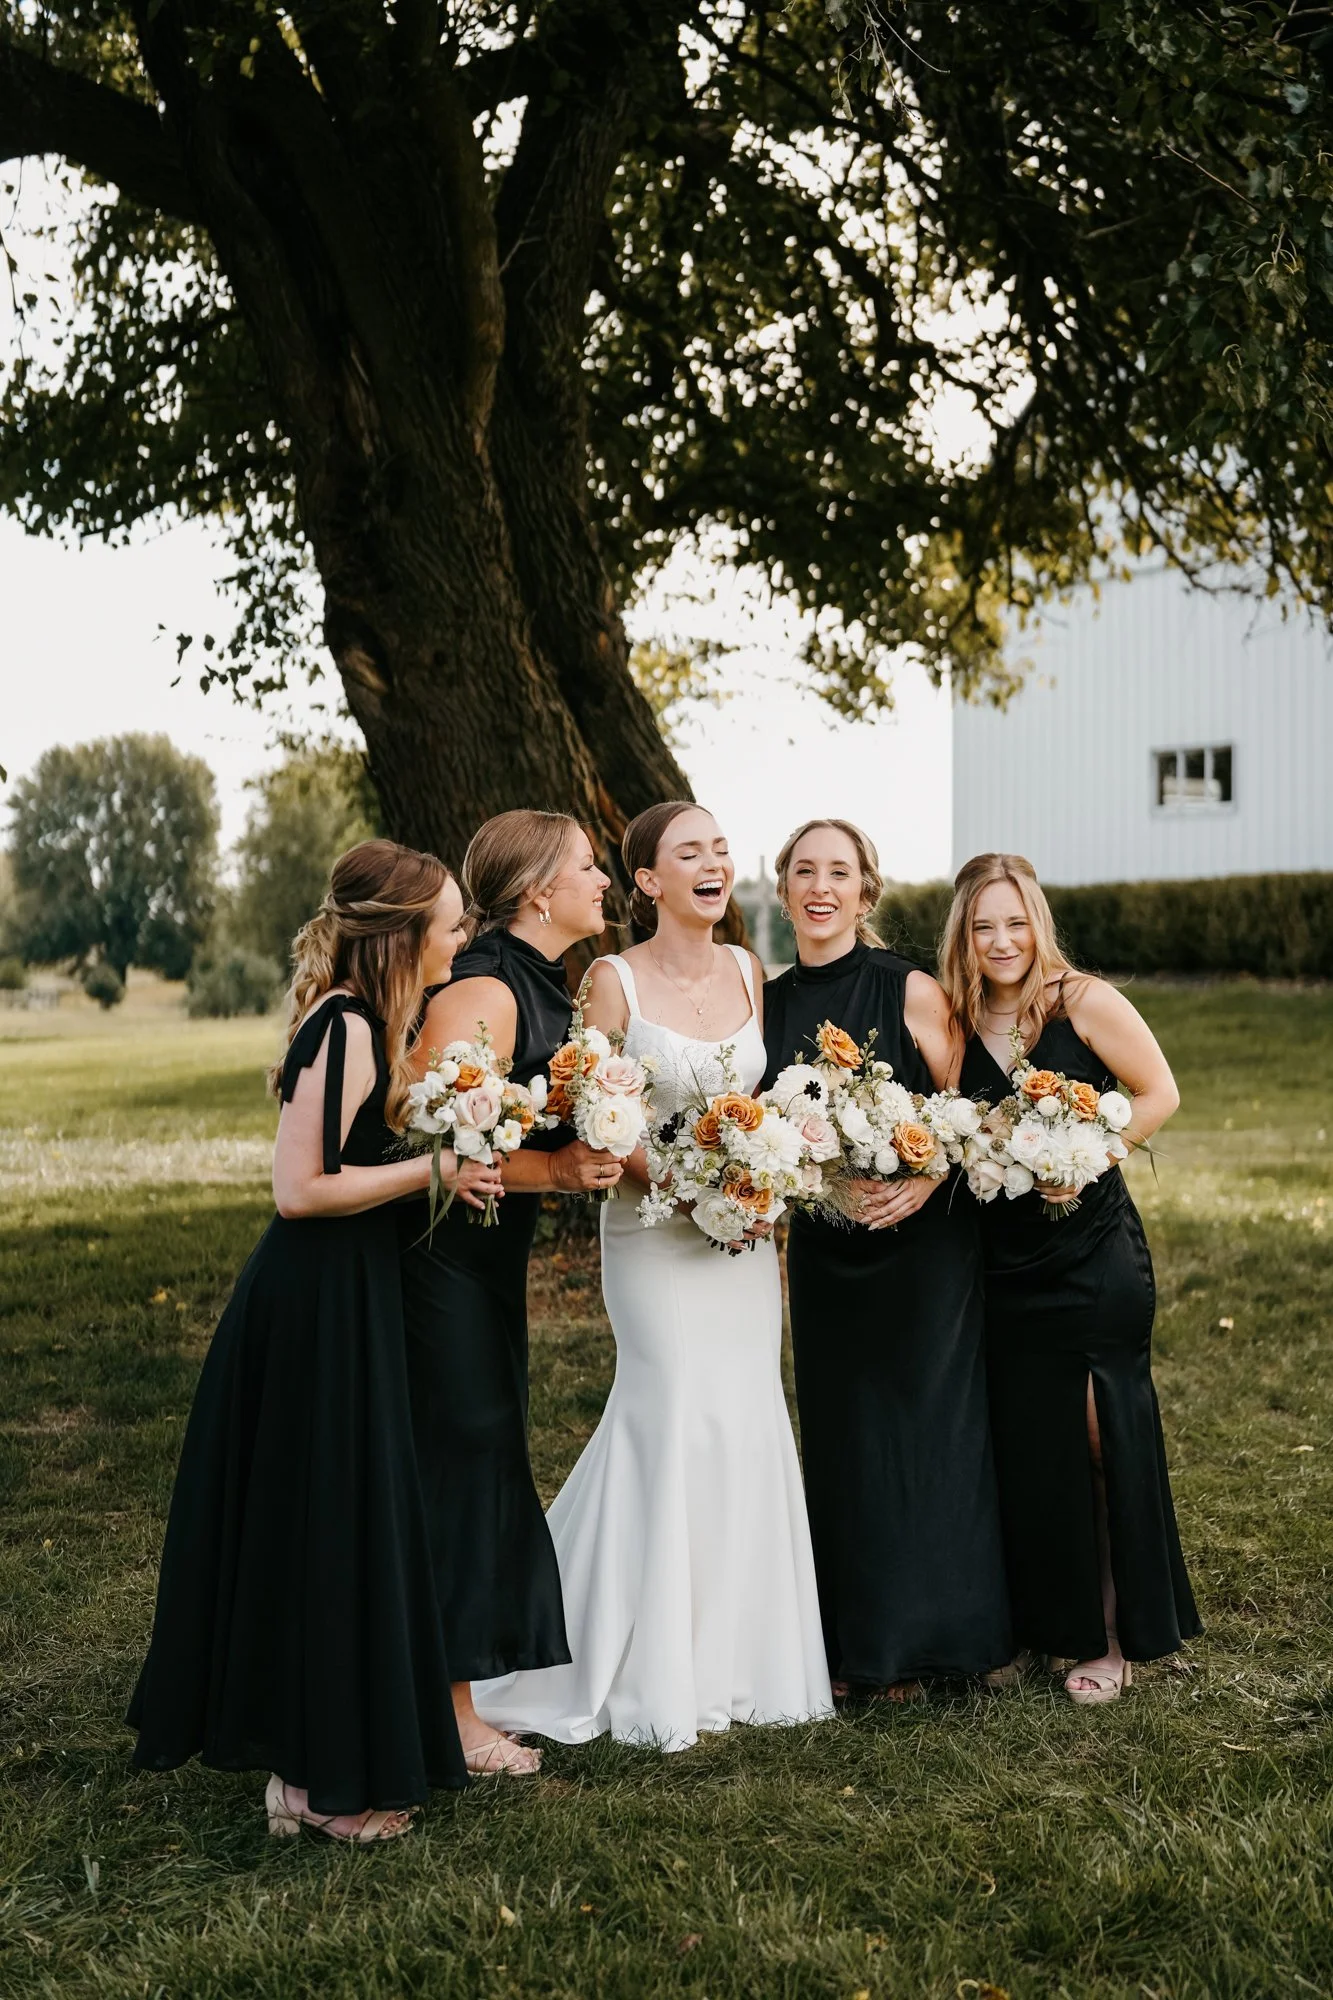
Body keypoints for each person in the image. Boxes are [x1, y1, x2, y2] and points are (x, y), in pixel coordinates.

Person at [128, 840, 501, 1841]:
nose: (462, 939)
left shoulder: (369, 1020)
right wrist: (432, 1169)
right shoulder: (343, 1026)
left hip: (347, 1295)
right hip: (311, 1305)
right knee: (326, 1529)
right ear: (405, 932)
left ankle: (308, 1776)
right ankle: (323, 1787)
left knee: (329, 1530)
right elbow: (299, 1191)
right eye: (453, 923)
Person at [474, 801, 832, 1750]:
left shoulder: (755, 972)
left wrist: (761, 1183)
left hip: (744, 1243)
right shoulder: (609, 980)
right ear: (646, 881)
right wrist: (687, 1188)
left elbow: (761, 1107)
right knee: (668, 1415)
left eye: (721, 847)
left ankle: (738, 1656)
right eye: (690, 852)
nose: (713, 863)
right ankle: (612, 1656)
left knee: (745, 1417)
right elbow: (601, 1110)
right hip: (649, 1235)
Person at [760, 819, 1012, 1700]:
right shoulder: (770, 1001)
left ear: (865, 892)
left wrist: (926, 1177)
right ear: (783, 886)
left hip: (924, 1247)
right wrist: (815, 1187)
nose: (819, 886)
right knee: (847, 1436)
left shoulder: (906, 988)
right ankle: (864, 1649)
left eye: (839, 872)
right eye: (803, 870)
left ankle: (954, 1642)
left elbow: (975, 1109)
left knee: (933, 1433)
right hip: (828, 1254)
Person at [945, 852, 1201, 1702]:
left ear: (1037, 923)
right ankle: (1043, 1625)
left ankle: (1116, 1632)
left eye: (1014, 922)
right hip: (1005, 1266)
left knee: (1098, 1438)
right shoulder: (956, 1017)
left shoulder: (1082, 1000)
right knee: (1029, 1449)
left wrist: (1094, 1153)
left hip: (1093, 1257)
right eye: (983, 926)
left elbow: (1157, 1090)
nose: (1001, 940)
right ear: (964, 936)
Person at [400, 810, 622, 1775]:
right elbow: (418, 1132)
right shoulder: (485, 988)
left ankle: (450, 1686)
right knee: (464, 1462)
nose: (602, 878)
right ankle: (452, 1714)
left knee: (481, 1451)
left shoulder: (545, 984)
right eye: (585, 866)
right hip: (433, 1264)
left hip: (486, 1263)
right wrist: (557, 1173)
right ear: (537, 891)